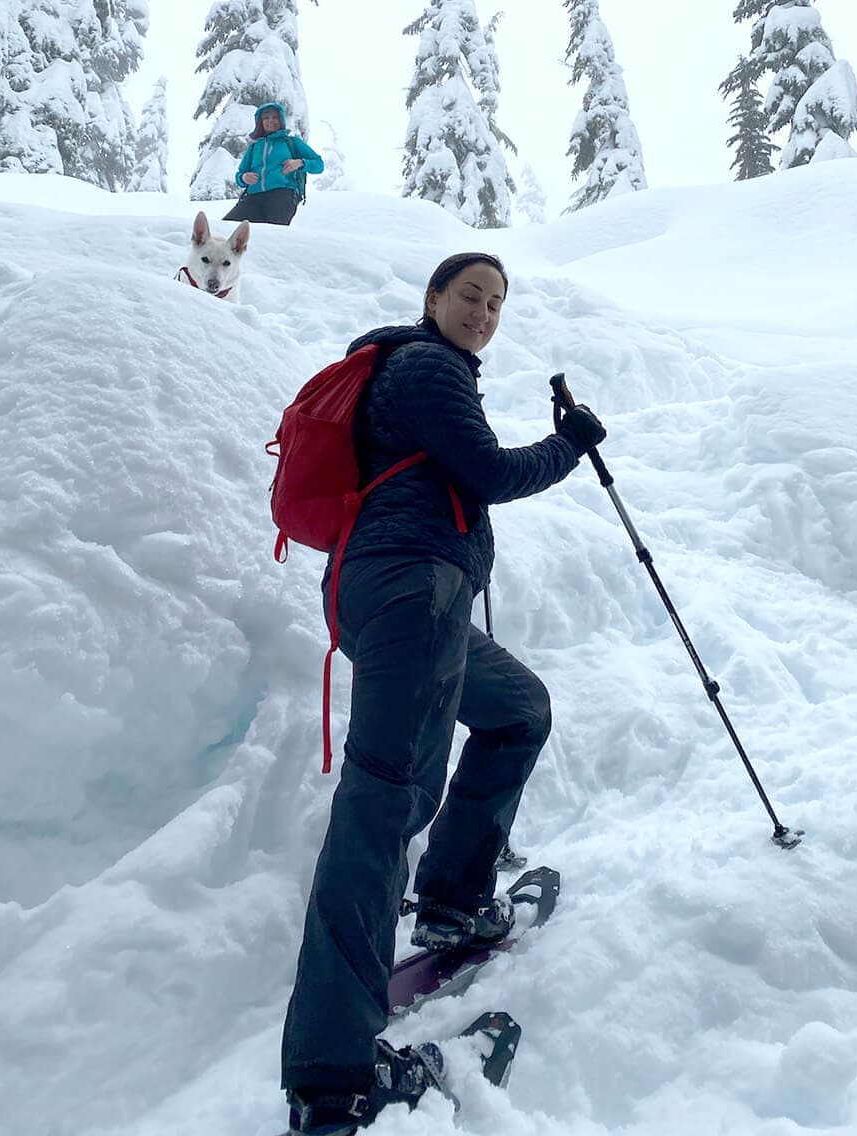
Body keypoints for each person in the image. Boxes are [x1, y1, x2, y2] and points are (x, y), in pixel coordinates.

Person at [279, 252, 607, 1134]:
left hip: (403, 593)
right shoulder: (424, 364)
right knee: (383, 801)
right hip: (410, 590)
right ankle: (332, 1077)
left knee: (517, 709)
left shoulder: (419, 371)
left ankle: (455, 901)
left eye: (497, 302)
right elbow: (491, 473)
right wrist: (572, 443)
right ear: (433, 300)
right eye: (472, 295)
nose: (485, 311)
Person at [224, 102, 323, 227]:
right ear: (260, 122)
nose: (271, 121)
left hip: (282, 195)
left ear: (281, 119)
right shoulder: (254, 147)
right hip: (253, 197)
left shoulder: (291, 142)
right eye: (266, 118)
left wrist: (300, 162)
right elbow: (240, 174)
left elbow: (319, 164)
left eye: (275, 117)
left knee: (272, 234)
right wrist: (243, 177)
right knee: (226, 228)